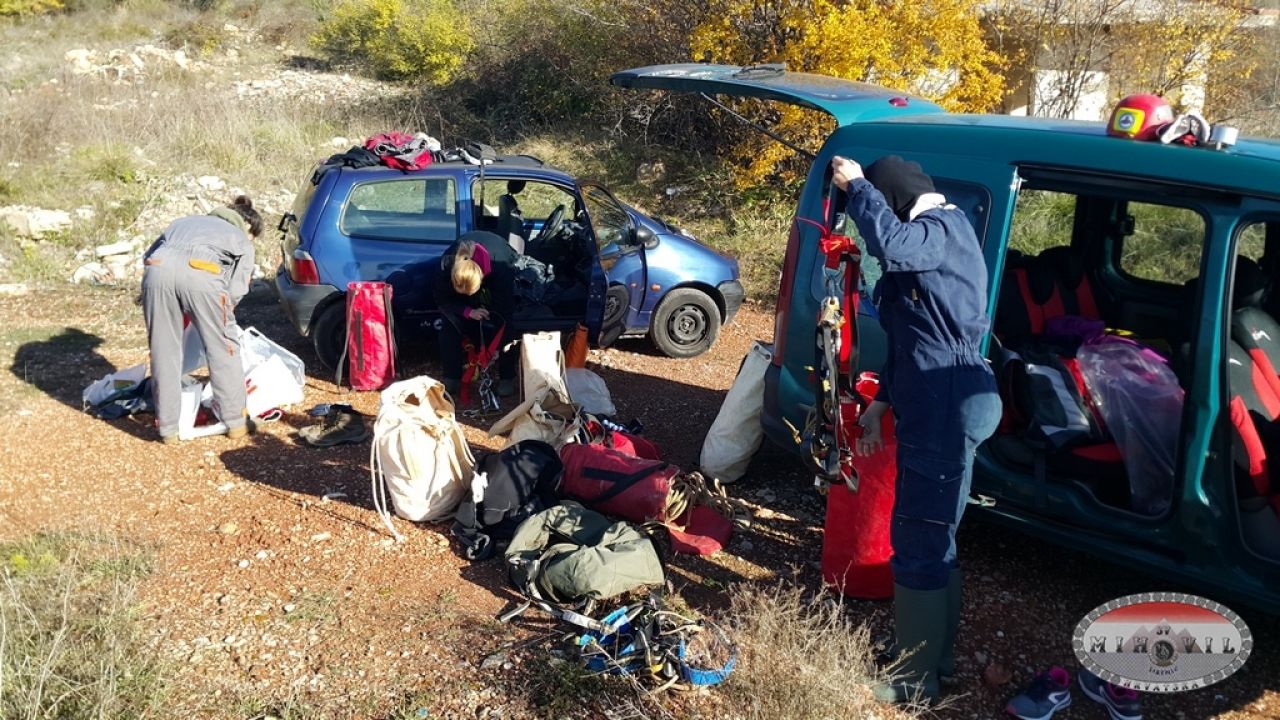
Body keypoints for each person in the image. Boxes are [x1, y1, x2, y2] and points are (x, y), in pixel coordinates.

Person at [831, 154, 1002, 704]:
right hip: (942, 393)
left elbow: (894, 245)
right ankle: (933, 655)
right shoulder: (936, 240)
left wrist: (857, 187)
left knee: (920, 535)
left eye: (880, 203)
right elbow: (913, 343)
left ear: (894, 197)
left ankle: (913, 681)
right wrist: (881, 406)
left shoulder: (939, 229)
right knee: (935, 533)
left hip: (947, 399)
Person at [141, 195, 262, 444]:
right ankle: (236, 422)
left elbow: (148, 256)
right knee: (223, 348)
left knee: (164, 351)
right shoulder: (240, 238)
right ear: (247, 226)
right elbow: (237, 290)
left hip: (157, 272)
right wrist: (219, 318)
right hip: (203, 275)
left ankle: (167, 429)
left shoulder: (182, 222)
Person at [433, 230, 519, 399]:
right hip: (464, 277)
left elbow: (505, 310)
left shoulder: (501, 266)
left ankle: (507, 378)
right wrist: (468, 311)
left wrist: (495, 346)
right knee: (448, 324)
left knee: (509, 324)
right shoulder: (446, 264)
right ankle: (452, 378)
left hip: (498, 261)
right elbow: (442, 300)